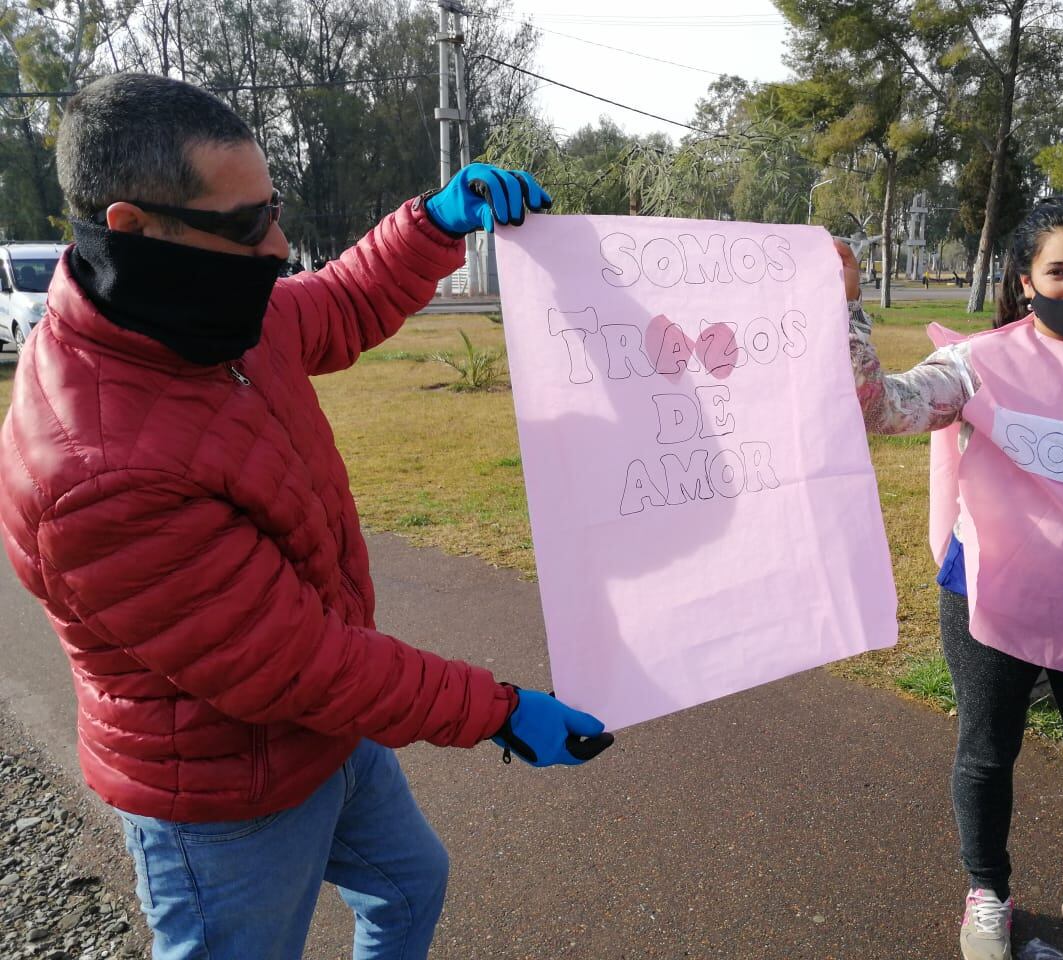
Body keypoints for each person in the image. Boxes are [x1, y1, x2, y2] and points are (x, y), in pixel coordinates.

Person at [0, 73, 613, 960]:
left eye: (273, 209)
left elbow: (336, 304)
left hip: (327, 736)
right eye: (248, 226)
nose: (280, 245)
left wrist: (435, 224)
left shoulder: (207, 316)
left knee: (408, 887)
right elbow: (295, 662)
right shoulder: (95, 470)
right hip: (218, 793)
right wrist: (500, 710)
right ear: (133, 226)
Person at [837, 196, 1063, 960]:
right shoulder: (979, 363)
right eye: (1058, 270)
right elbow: (884, 409)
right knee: (985, 755)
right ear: (1026, 278)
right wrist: (846, 312)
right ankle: (987, 894)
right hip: (988, 595)